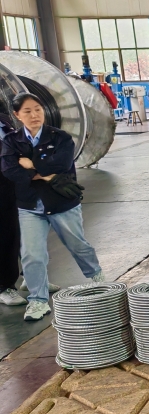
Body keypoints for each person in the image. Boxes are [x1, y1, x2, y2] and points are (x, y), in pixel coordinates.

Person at [1, 92, 106, 322]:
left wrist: (30, 165)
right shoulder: (11, 141)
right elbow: (10, 170)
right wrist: (44, 174)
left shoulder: (60, 137)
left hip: (61, 202)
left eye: (38, 109)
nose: (34, 115)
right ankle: (38, 301)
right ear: (17, 115)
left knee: (77, 244)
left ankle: (97, 276)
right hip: (29, 206)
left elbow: (62, 164)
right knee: (32, 255)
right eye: (27, 111)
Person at [0, 107, 25, 307]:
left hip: (12, 185)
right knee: (4, 235)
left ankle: (31, 276)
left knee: (22, 232)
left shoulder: (4, 121)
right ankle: (4, 286)